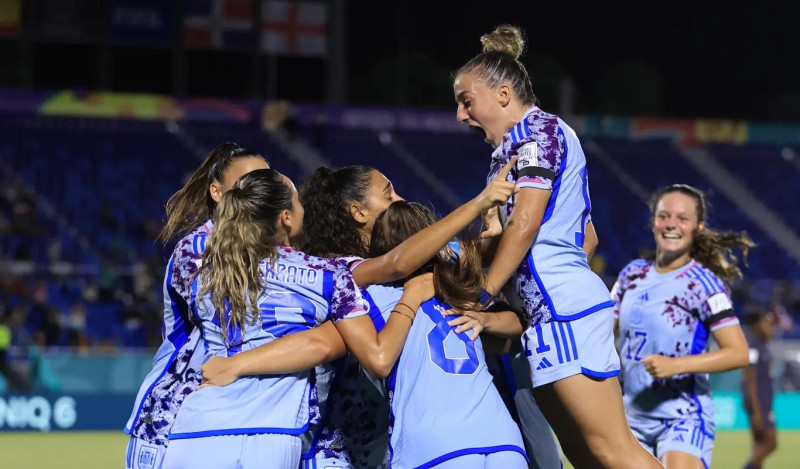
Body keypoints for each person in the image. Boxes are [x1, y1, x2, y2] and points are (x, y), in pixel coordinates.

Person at [198, 161, 518, 468]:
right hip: (346, 438)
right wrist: (479, 205)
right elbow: (395, 265)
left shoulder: (428, 272)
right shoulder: (345, 273)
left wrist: (487, 238)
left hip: (407, 435)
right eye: (389, 193)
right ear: (358, 212)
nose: (400, 200)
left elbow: (466, 254)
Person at [452, 24, 659, 468]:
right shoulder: (511, 148)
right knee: (584, 457)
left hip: (563, 311)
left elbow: (526, 223)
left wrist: (487, 292)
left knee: (613, 451)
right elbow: (587, 238)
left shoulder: (537, 131)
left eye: (466, 101)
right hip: (547, 316)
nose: (460, 115)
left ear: (503, 94)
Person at [124, 142, 269, 469]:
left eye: (267, 180)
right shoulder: (198, 249)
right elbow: (239, 319)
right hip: (176, 412)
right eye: (248, 182)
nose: (261, 190)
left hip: (234, 414)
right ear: (217, 192)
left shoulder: (278, 253)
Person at [612, 184, 752, 468]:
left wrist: (675, 365)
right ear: (652, 222)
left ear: (697, 228)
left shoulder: (705, 285)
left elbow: (738, 353)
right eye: (664, 216)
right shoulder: (631, 275)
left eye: (682, 218)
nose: (671, 224)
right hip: (628, 419)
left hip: (683, 416)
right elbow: (602, 332)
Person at [741, 306, 778, 469]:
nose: (771, 328)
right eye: (767, 323)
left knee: (759, 446)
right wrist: (756, 411)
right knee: (770, 443)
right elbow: (749, 380)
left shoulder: (762, 347)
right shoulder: (754, 348)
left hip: (764, 404)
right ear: (757, 325)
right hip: (759, 405)